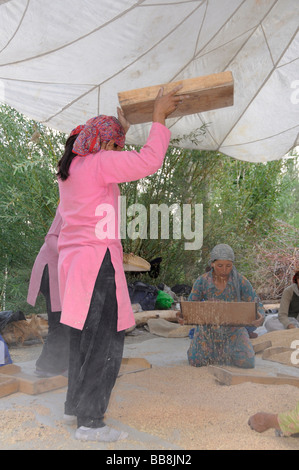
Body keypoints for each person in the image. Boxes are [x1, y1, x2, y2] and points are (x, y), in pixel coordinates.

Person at [56, 86, 184, 443]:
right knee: (105, 341)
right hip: (97, 266)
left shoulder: (74, 168)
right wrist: (158, 117)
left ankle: (76, 406)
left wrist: (121, 130)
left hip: (77, 266)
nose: (121, 152)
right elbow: (147, 161)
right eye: (117, 145)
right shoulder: (98, 164)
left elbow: (107, 150)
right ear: (104, 146)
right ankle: (91, 422)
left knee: (83, 338)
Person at [186, 244, 264, 369]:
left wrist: (260, 316)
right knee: (196, 361)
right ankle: (212, 351)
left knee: (248, 362)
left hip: (234, 329)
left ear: (232, 264)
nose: (224, 270)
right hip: (208, 330)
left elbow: (257, 303)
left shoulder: (240, 281)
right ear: (212, 264)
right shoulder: (202, 281)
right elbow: (190, 307)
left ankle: (224, 351)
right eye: (220, 266)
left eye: (228, 266)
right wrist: (182, 316)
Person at [27, 207, 69, 377]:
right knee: (59, 321)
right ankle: (46, 366)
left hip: (60, 270)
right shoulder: (67, 204)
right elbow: (51, 238)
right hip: (50, 270)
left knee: (65, 320)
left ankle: (60, 363)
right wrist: (71, 253)